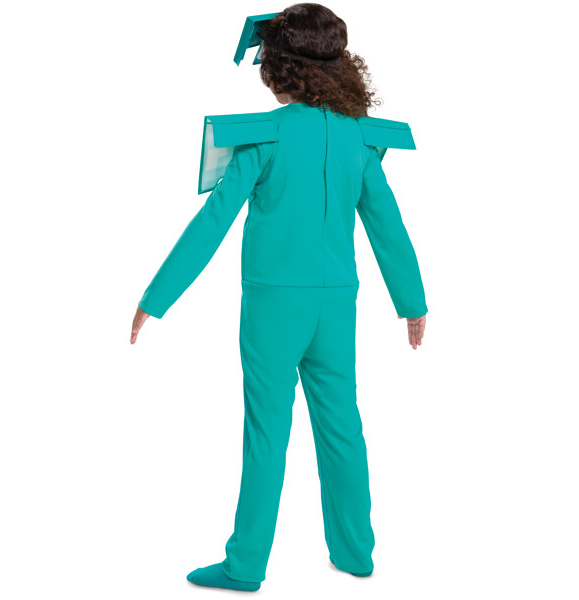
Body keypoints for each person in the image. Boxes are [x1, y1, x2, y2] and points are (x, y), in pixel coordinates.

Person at [130, 3, 427, 592]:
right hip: (337, 305)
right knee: (342, 427)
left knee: (267, 433)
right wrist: (412, 302)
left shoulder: (263, 138)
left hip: (273, 307)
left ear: (277, 69)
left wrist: (155, 298)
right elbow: (388, 227)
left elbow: (210, 225)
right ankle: (356, 551)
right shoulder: (358, 139)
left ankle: (245, 565)